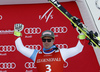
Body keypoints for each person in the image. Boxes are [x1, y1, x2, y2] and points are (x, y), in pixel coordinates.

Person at [14, 24, 85, 72]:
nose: (46, 42)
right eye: (44, 40)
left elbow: (78, 49)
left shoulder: (61, 52)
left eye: (49, 40)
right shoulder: (36, 54)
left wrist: (82, 35)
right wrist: (17, 33)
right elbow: (20, 48)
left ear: (53, 40)